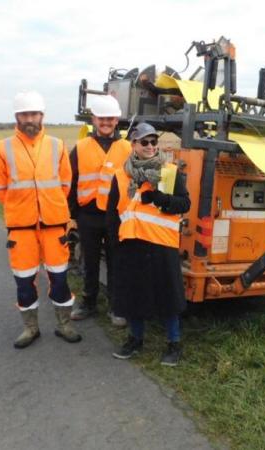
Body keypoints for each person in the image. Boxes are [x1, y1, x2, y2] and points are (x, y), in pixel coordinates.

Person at [0, 91, 81, 349]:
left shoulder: (56, 145)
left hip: (54, 227)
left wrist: (50, 208)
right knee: (24, 281)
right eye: (24, 114)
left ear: (42, 116)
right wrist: (21, 208)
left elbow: (65, 183)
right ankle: (30, 328)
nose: (30, 118)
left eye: (34, 114)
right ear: (17, 117)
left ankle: (64, 324)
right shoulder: (3, 147)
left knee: (60, 279)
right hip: (22, 229)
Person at [108, 123, 189, 366]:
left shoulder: (169, 172)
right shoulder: (122, 176)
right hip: (131, 244)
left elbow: (184, 205)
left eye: (154, 141)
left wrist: (159, 198)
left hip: (162, 245)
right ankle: (135, 340)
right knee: (135, 296)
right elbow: (113, 213)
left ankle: (174, 344)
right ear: (133, 145)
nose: (151, 146)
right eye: (145, 142)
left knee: (168, 299)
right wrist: (114, 244)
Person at [68, 95, 131, 326]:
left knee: (116, 262)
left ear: (117, 120)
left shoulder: (127, 148)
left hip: (116, 216)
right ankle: (89, 302)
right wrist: (73, 213)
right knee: (90, 261)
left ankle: (116, 306)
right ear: (93, 119)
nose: (105, 122)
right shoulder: (81, 147)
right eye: (101, 118)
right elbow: (70, 181)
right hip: (88, 215)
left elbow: (132, 182)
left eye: (110, 118)